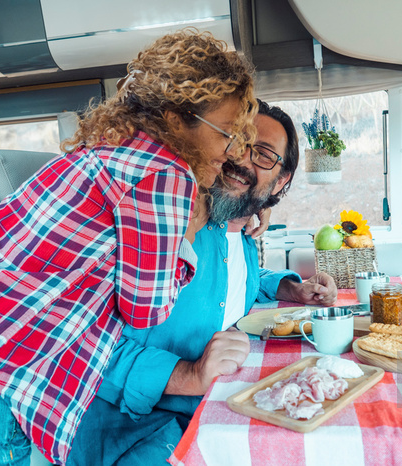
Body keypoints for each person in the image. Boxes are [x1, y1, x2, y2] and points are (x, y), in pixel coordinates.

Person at [0, 30, 256, 465]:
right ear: (177, 118)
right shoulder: (166, 173)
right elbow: (147, 310)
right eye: (226, 134)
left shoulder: (105, 150)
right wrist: (190, 234)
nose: (231, 151)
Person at [68, 100, 338, 465]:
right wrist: (188, 376)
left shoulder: (240, 236)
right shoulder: (166, 222)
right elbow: (79, 347)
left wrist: (291, 288)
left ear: (282, 179)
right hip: (133, 432)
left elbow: (240, 283)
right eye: (239, 141)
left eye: (262, 154)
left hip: (211, 415)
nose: (242, 158)